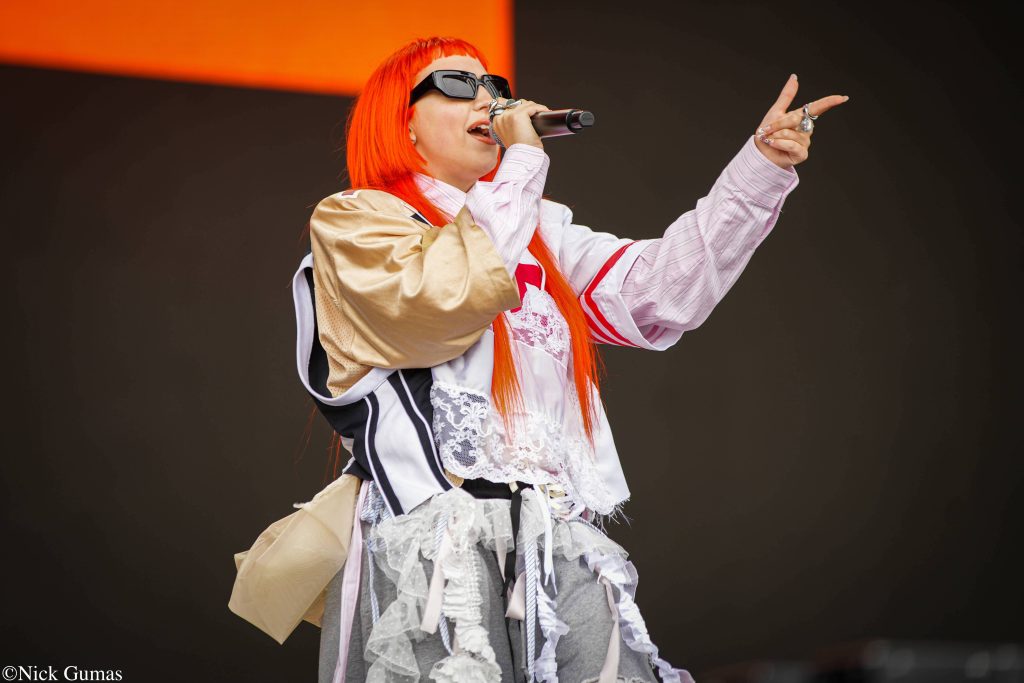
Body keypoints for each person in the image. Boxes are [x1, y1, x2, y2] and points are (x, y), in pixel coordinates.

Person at [288, 35, 846, 683]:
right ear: (402, 119)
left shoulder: (538, 232)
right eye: (460, 85)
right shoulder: (358, 221)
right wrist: (524, 159)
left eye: (495, 86)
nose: (490, 101)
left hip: (553, 533)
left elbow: (662, 292)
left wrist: (760, 170)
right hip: (436, 530)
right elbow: (446, 297)